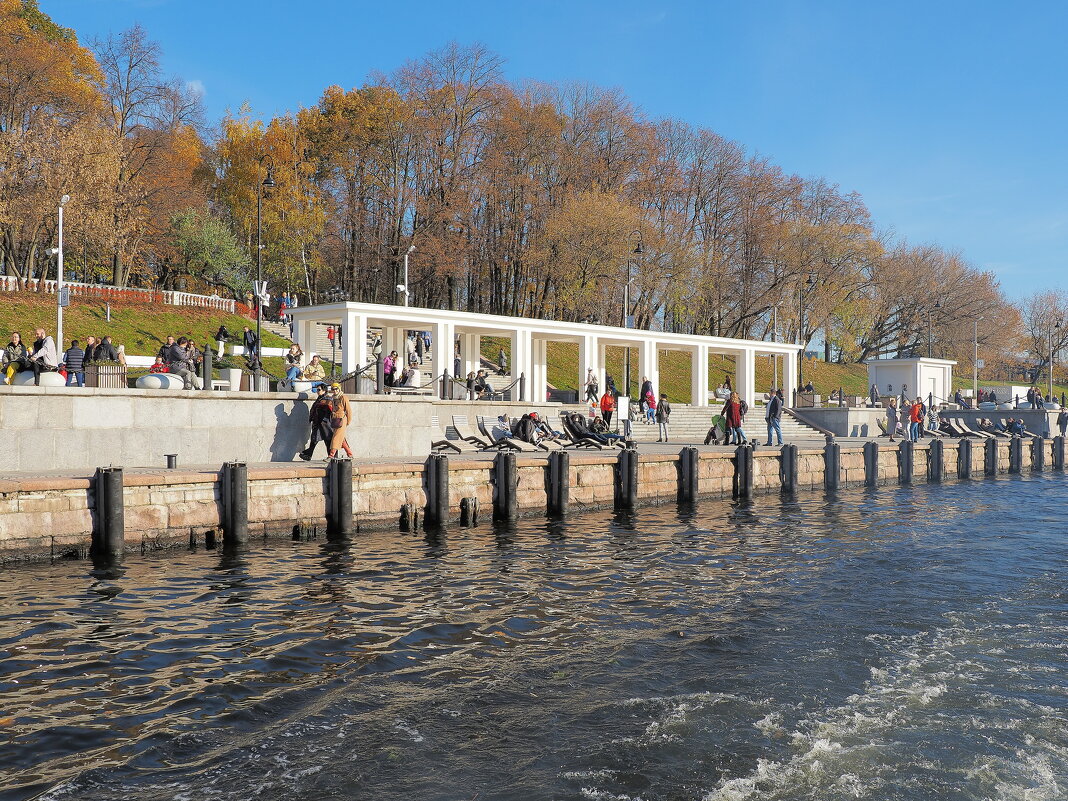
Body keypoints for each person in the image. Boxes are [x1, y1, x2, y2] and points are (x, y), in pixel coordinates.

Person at [298, 384, 333, 461]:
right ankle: (308, 454)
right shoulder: (320, 398)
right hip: (317, 423)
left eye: (319, 390)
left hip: (325, 423)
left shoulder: (328, 399)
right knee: (314, 439)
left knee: (328, 440)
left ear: (324, 390)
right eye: (317, 390)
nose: (317, 391)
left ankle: (331, 456)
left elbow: (329, 410)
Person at [326, 383, 353, 458]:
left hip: (342, 420)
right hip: (335, 420)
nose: (334, 391)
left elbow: (348, 410)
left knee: (336, 437)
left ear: (339, 389)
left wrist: (348, 422)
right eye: (333, 389)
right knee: (341, 438)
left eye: (336, 389)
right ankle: (350, 453)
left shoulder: (343, 397)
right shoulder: (334, 398)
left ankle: (331, 455)